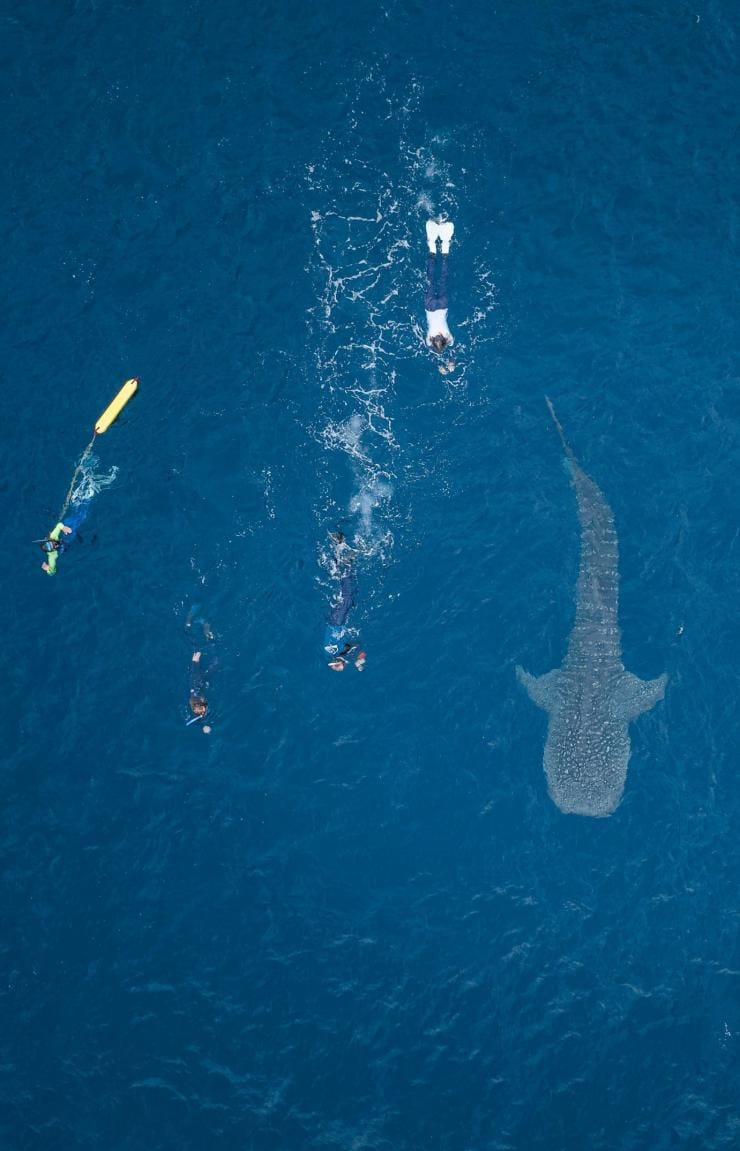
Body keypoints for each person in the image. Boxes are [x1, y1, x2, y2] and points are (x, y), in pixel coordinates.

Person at [323, 533, 366, 672]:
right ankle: (337, 545)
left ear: (337, 662)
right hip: (332, 620)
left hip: (337, 621)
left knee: (346, 598)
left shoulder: (338, 651)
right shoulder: (330, 652)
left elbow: (354, 645)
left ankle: (348, 563)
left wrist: (359, 659)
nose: (345, 664)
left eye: (342, 665)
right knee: (346, 595)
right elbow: (352, 647)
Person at [424, 218, 455, 366]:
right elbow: (431, 347)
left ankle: (444, 249)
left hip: (441, 306)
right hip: (433, 306)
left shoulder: (447, 336)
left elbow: (449, 344)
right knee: (432, 279)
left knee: (441, 278)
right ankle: (434, 249)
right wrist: (447, 363)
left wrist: (447, 363)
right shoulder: (430, 337)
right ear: (439, 341)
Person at [39, 500, 91, 574]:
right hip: (65, 543)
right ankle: (86, 503)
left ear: (49, 540)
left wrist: (63, 528)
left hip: (62, 535)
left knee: (68, 521)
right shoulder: (52, 557)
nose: (54, 545)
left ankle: (78, 502)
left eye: (51, 543)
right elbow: (52, 572)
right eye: (52, 547)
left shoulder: (52, 536)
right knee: (80, 519)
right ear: (51, 551)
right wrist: (48, 569)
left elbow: (59, 525)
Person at [186, 607, 215, 732]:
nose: (203, 710)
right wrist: (204, 721)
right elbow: (204, 702)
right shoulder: (198, 703)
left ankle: (189, 622)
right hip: (202, 680)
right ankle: (207, 631)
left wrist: (195, 662)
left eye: (202, 709)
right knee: (216, 662)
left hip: (197, 674)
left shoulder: (195, 692)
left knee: (197, 649)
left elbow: (203, 701)